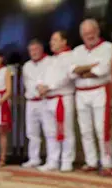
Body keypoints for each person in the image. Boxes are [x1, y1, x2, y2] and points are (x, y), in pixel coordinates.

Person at [71, 19, 112, 175]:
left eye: (91, 32)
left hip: (99, 91)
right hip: (81, 93)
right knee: (85, 130)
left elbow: (102, 70)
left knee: (101, 129)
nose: (88, 36)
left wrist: (81, 70)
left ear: (97, 31)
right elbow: (71, 72)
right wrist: (91, 66)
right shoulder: (77, 51)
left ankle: (107, 162)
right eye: (85, 34)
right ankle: (91, 161)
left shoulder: (107, 47)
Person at [37, 30, 77, 172]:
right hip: (47, 99)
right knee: (50, 131)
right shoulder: (50, 60)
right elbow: (41, 76)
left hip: (62, 98)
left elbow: (68, 77)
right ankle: (52, 160)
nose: (51, 43)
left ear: (64, 41)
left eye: (55, 39)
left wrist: (50, 87)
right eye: (51, 40)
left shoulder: (71, 56)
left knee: (65, 130)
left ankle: (67, 160)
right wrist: (40, 85)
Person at [21, 40, 50, 168]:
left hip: (45, 100)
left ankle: (51, 160)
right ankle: (34, 158)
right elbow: (28, 83)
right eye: (31, 50)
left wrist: (41, 87)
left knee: (49, 131)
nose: (33, 53)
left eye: (36, 49)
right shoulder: (26, 66)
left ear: (41, 49)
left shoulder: (50, 61)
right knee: (32, 132)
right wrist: (37, 87)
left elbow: (48, 79)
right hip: (31, 102)